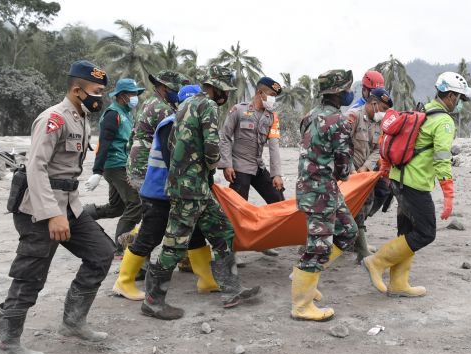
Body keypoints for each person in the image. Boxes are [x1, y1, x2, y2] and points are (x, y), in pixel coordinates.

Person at [0, 61, 115, 354]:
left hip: (69, 204)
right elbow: (36, 168)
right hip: (39, 208)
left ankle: (73, 322)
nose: (100, 97)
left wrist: (65, 212)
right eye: (97, 91)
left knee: (102, 253)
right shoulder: (53, 118)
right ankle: (7, 345)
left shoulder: (82, 117)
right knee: (31, 274)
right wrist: (52, 215)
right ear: (78, 90)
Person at [141, 66, 260, 320]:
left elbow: (172, 143)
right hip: (190, 189)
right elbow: (212, 145)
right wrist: (212, 164)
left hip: (195, 187)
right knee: (174, 244)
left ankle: (232, 289)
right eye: (224, 90)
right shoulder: (208, 106)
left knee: (222, 231)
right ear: (215, 87)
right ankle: (153, 300)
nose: (225, 95)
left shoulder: (185, 104)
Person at [363, 71, 471, 297]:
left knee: (407, 231)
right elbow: (442, 160)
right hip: (414, 184)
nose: (458, 103)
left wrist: (385, 169)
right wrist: (448, 196)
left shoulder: (422, 111)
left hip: (398, 180)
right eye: (459, 98)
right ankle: (377, 261)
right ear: (450, 96)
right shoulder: (444, 121)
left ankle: (399, 283)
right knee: (425, 233)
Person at [112, 84, 221, 301]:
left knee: (196, 234)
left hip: (175, 190)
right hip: (158, 192)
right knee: (150, 236)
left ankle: (207, 280)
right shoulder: (170, 123)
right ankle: (123, 282)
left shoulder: (184, 122)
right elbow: (174, 162)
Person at [292, 69, 358, 322]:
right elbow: (343, 164)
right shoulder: (339, 122)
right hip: (320, 191)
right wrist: (341, 173)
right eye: (347, 89)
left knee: (348, 231)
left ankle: (308, 275)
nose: (349, 93)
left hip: (316, 187)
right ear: (339, 92)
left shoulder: (309, 116)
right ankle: (301, 305)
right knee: (319, 246)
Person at [219, 76, 285, 257]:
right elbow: (225, 137)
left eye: (275, 96)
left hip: (257, 166)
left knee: (278, 201)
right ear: (259, 92)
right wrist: (227, 164)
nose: (273, 99)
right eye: (271, 94)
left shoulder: (272, 117)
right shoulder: (238, 111)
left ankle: (263, 241)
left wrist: (276, 174)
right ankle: (231, 252)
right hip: (239, 167)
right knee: (237, 210)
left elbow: (274, 147)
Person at [83, 78, 145, 256]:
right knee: (135, 203)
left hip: (122, 162)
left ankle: (84, 215)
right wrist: (97, 172)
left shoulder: (127, 113)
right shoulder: (112, 114)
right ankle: (121, 246)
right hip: (115, 165)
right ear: (122, 96)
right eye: (132, 94)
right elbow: (103, 143)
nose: (135, 97)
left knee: (117, 207)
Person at [345, 87, 393, 262]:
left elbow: (377, 150)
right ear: (374, 104)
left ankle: (356, 243)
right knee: (350, 210)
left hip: (363, 174)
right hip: (345, 172)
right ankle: (361, 249)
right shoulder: (353, 116)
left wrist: (365, 167)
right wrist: (350, 168)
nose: (385, 114)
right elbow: (342, 144)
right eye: (384, 109)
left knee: (366, 204)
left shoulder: (381, 124)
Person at [126, 70, 189, 190]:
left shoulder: (148, 102)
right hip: (146, 169)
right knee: (152, 207)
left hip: (136, 164)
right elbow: (171, 146)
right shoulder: (163, 109)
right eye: (176, 89)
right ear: (165, 87)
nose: (178, 93)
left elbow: (133, 135)